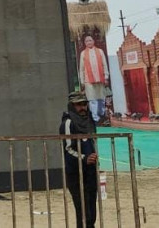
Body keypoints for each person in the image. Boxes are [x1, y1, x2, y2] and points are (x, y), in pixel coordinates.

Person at [60, 88, 99, 228]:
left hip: (91, 172)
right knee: (83, 212)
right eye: (78, 105)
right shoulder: (68, 123)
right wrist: (84, 158)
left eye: (84, 104)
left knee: (92, 211)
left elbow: (92, 143)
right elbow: (68, 149)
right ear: (72, 106)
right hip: (76, 173)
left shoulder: (89, 121)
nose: (82, 107)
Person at [78, 35, 111, 124]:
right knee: (92, 100)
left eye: (90, 40)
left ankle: (101, 115)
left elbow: (104, 65)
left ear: (93, 41)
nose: (88, 42)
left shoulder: (100, 51)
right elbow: (81, 69)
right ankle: (95, 119)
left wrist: (106, 77)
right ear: (85, 43)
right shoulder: (83, 53)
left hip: (100, 79)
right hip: (88, 80)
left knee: (101, 99)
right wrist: (82, 81)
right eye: (86, 41)